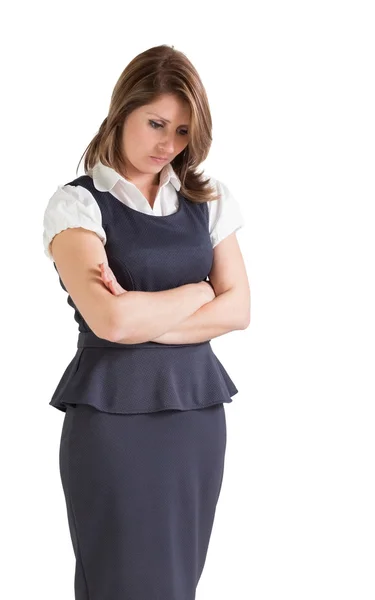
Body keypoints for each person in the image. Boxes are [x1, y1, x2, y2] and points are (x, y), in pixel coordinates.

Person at [42, 44, 251, 600]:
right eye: (157, 123)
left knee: (177, 586)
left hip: (196, 419)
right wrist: (198, 290)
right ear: (121, 112)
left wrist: (144, 317)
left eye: (183, 132)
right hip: (113, 424)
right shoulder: (77, 207)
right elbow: (109, 320)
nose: (168, 144)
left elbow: (239, 310)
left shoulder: (207, 199)